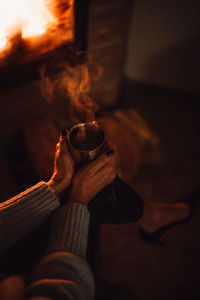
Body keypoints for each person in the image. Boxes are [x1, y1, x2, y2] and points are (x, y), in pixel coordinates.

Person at [0, 129, 116, 300]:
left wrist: (57, 184)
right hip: (67, 277)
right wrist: (78, 199)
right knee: (109, 199)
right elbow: (61, 291)